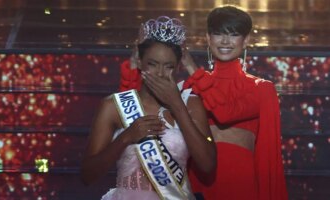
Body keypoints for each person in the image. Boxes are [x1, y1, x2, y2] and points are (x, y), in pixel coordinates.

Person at [119, 6, 288, 200]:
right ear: (208, 38)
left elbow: (225, 113)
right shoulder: (190, 86)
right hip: (197, 179)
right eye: (218, 34)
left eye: (233, 35)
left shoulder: (260, 88)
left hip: (240, 184)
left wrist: (191, 66)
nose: (225, 41)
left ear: (246, 40)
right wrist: (135, 60)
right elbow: (132, 112)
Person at [81, 16, 216, 200]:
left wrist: (177, 106)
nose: (160, 73)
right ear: (140, 62)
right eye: (152, 64)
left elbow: (208, 166)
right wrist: (126, 137)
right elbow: (88, 175)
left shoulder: (190, 104)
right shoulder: (114, 105)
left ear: (177, 68)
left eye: (168, 66)